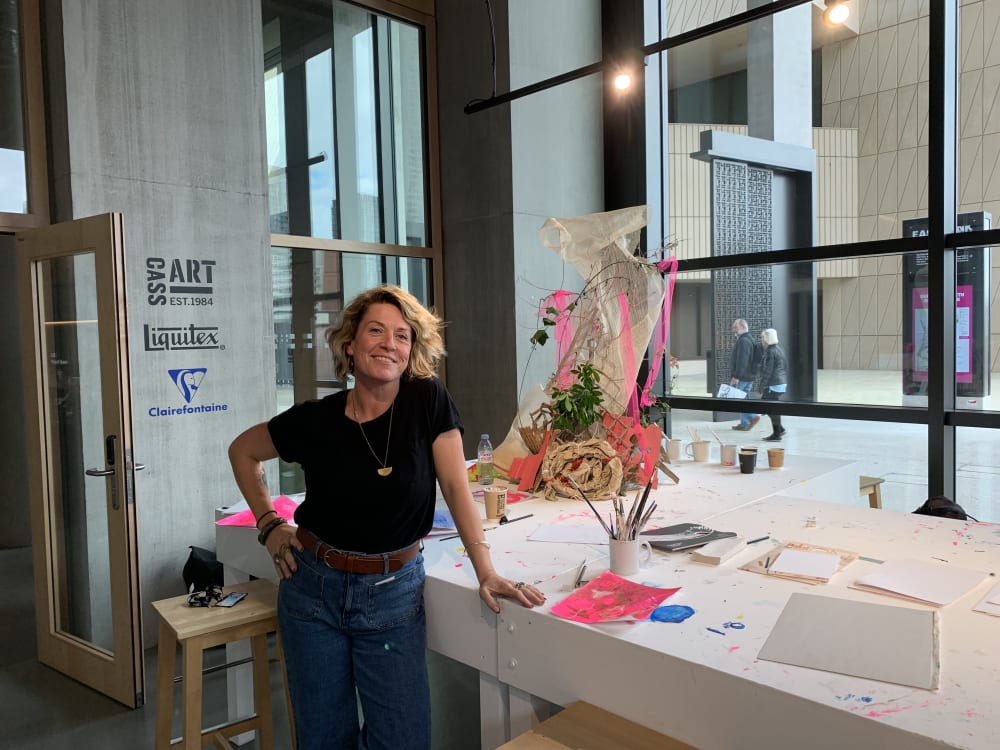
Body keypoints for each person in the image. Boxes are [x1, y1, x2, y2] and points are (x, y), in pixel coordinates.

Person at [228, 285, 546, 750]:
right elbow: (242, 451)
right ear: (350, 345)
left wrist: (486, 570)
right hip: (312, 592)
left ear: (412, 349)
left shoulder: (427, 400)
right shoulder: (316, 419)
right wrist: (270, 524)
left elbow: (456, 486)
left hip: (392, 594)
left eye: (402, 335)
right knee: (323, 741)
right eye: (376, 331)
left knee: (402, 739)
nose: (389, 344)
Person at [729, 319, 760, 431]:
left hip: (742, 377)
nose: (733, 330)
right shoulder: (749, 339)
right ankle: (744, 423)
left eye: (735, 327)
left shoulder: (743, 341)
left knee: (738, 399)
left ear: (743, 327)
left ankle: (753, 416)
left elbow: (742, 360)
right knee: (744, 398)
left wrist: (736, 376)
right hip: (748, 376)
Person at [758, 328, 788, 441]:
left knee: (769, 408)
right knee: (769, 407)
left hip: (773, 384)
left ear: (767, 339)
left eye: (762, 338)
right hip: (780, 382)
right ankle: (779, 430)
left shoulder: (770, 351)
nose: (761, 340)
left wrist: (761, 386)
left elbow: (768, 371)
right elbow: (784, 366)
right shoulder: (779, 349)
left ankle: (777, 434)